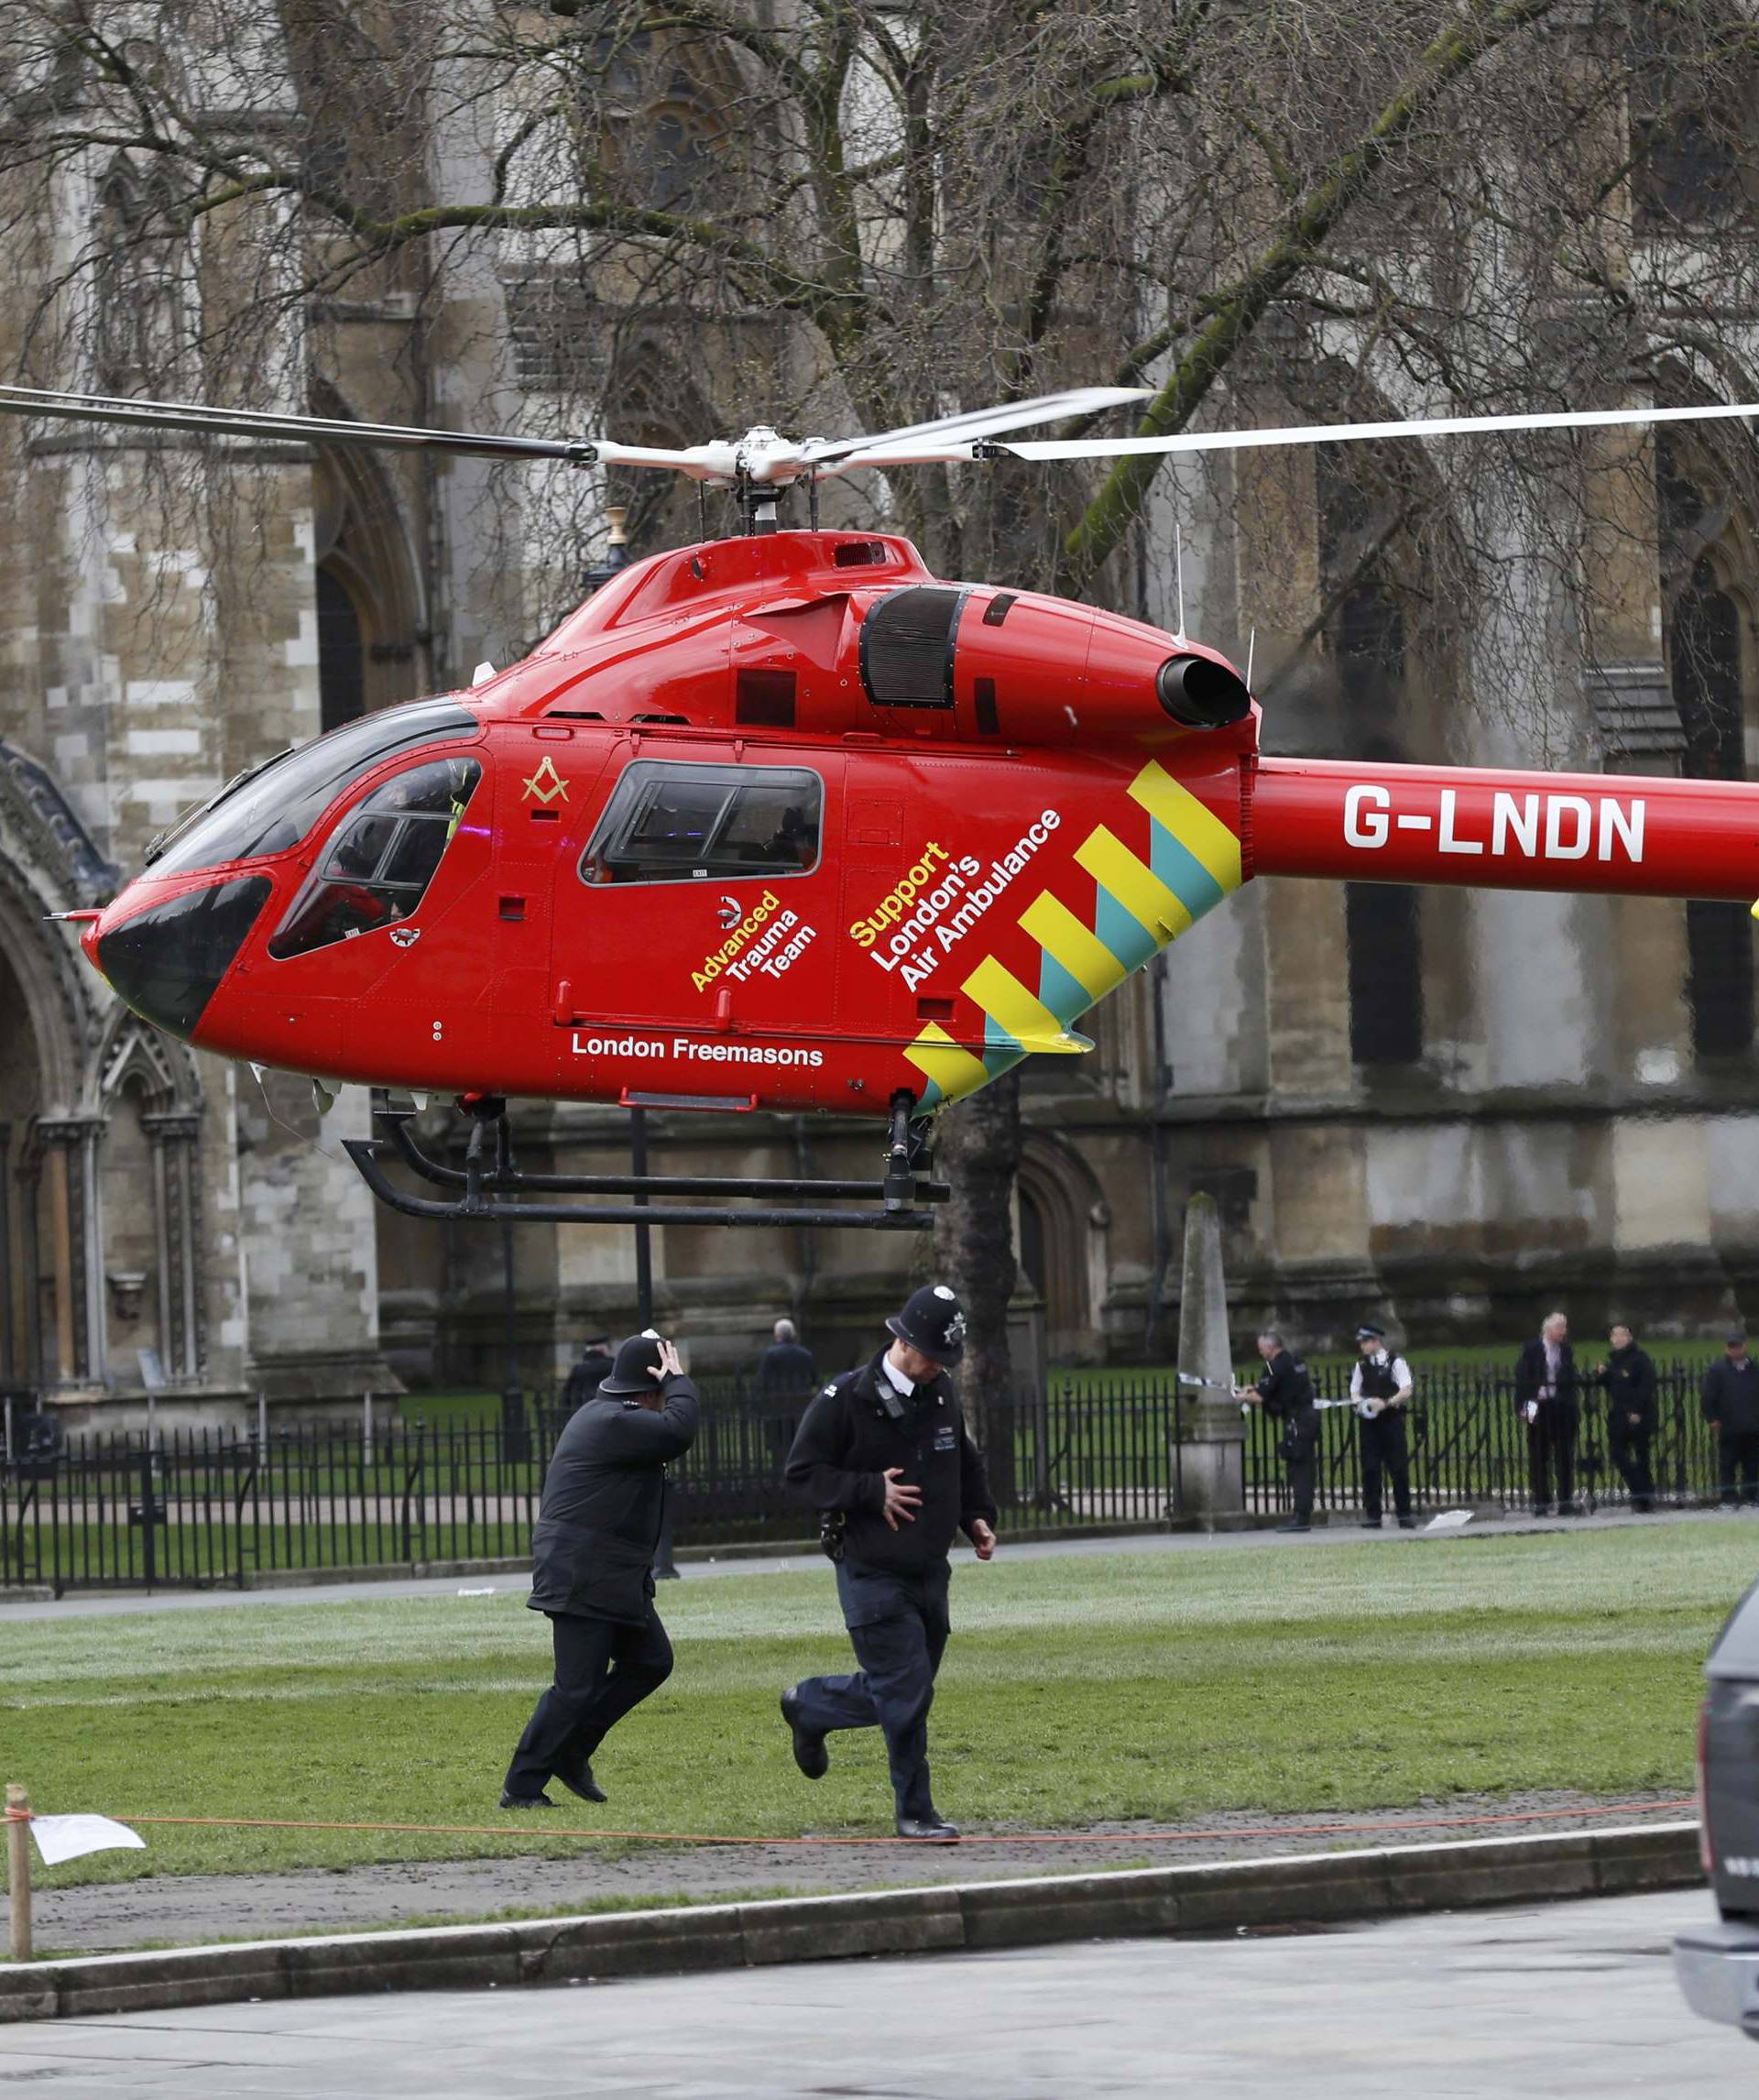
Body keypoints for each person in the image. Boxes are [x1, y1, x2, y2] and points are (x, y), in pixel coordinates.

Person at [779, 1285, 998, 1842]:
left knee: (909, 1686)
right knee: (904, 1689)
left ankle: (811, 1705)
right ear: (902, 1342)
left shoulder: (940, 1389)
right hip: (870, 1566)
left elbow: (962, 1460)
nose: (938, 1370)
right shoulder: (844, 1398)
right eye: (933, 1357)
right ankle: (916, 1812)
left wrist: (975, 1516)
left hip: (929, 1568)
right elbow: (801, 1476)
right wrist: (870, 1492)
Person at [501, 1332, 698, 1809]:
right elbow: (679, 1430)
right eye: (663, 1390)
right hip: (582, 1571)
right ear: (650, 1389)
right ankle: (522, 1786)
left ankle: (572, 1753)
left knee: (651, 1661)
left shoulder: (612, 1417)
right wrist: (681, 1381)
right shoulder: (615, 1421)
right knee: (575, 1686)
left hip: (608, 1572)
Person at [1235, 1329, 1320, 1533]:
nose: (1260, 1352)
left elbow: (1262, 1397)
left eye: (1261, 1348)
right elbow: (1283, 1385)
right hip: (1309, 1418)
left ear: (1270, 1347)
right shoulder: (1296, 1361)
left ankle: (1301, 1518)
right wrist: (1255, 1387)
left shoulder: (1273, 1367)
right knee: (1306, 1466)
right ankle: (1303, 1513)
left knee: (1298, 1469)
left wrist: (1243, 1397)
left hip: (1295, 1421)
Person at [1350, 1324, 1416, 1528]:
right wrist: (1360, 1404)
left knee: (1398, 1469)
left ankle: (1404, 1514)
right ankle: (1373, 1515)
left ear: (1376, 1342)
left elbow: (1406, 1390)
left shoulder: (1396, 1362)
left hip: (1391, 1422)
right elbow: (1354, 1391)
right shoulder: (1361, 1365)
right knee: (1370, 1470)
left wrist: (1386, 1403)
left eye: (1365, 1342)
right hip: (1369, 1425)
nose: (1362, 1346)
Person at [1514, 1311, 1579, 1515]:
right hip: (1539, 1407)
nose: (1563, 1331)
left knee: (1565, 1457)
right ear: (1549, 1329)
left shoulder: (1566, 1351)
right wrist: (1524, 1406)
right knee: (1539, 1456)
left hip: (1560, 1407)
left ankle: (1565, 1502)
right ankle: (1541, 1502)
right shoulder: (1532, 1349)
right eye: (1560, 1327)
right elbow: (1523, 1379)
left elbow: (1570, 1377)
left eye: (1565, 1327)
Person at [1590, 1323, 1658, 1513]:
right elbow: (1612, 1383)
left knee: (1641, 1456)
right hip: (1619, 1416)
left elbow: (1646, 1386)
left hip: (1638, 1415)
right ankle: (1642, 1491)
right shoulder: (1615, 1361)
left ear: (1630, 1337)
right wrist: (1600, 1374)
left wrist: (1637, 1410)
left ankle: (1644, 1498)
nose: (1618, 1338)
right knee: (1618, 1454)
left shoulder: (1640, 1359)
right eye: (1615, 1335)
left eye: (1622, 1335)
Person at [1702, 1332, 1759, 1509]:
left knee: (1752, 1464)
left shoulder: (1754, 1370)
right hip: (1729, 1425)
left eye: (1738, 1346)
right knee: (1728, 1464)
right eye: (1731, 1346)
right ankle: (1728, 1497)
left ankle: (1750, 1496)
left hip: (1753, 1425)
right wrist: (1712, 1418)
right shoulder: (1718, 1370)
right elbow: (1708, 1397)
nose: (1735, 1350)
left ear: (1745, 1346)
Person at [757, 1318, 818, 1399]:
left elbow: (762, 1380)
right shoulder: (806, 1354)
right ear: (793, 1334)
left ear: (777, 1334)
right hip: (801, 1399)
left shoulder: (770, 1354)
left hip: (776, 1400)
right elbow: (816, 1379)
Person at [561, 1334, 615, 1414]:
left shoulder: (578, 1370)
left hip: (581, 1414)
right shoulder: (613, 1366)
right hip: (608, 1413)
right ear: (603, 1350)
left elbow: (566, 1397)